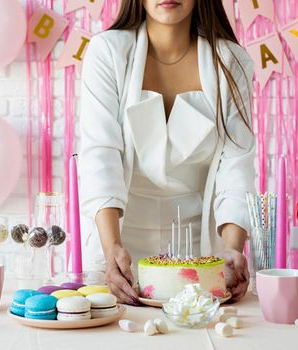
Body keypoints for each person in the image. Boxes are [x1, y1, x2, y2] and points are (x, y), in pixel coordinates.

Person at [79, 0, 255, 306]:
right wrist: (112, 250)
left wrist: (231, 251)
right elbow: (100, 155)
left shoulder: (231, 60)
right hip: (120, 252)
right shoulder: (106, 51)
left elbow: (236, 165)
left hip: (200, 257)